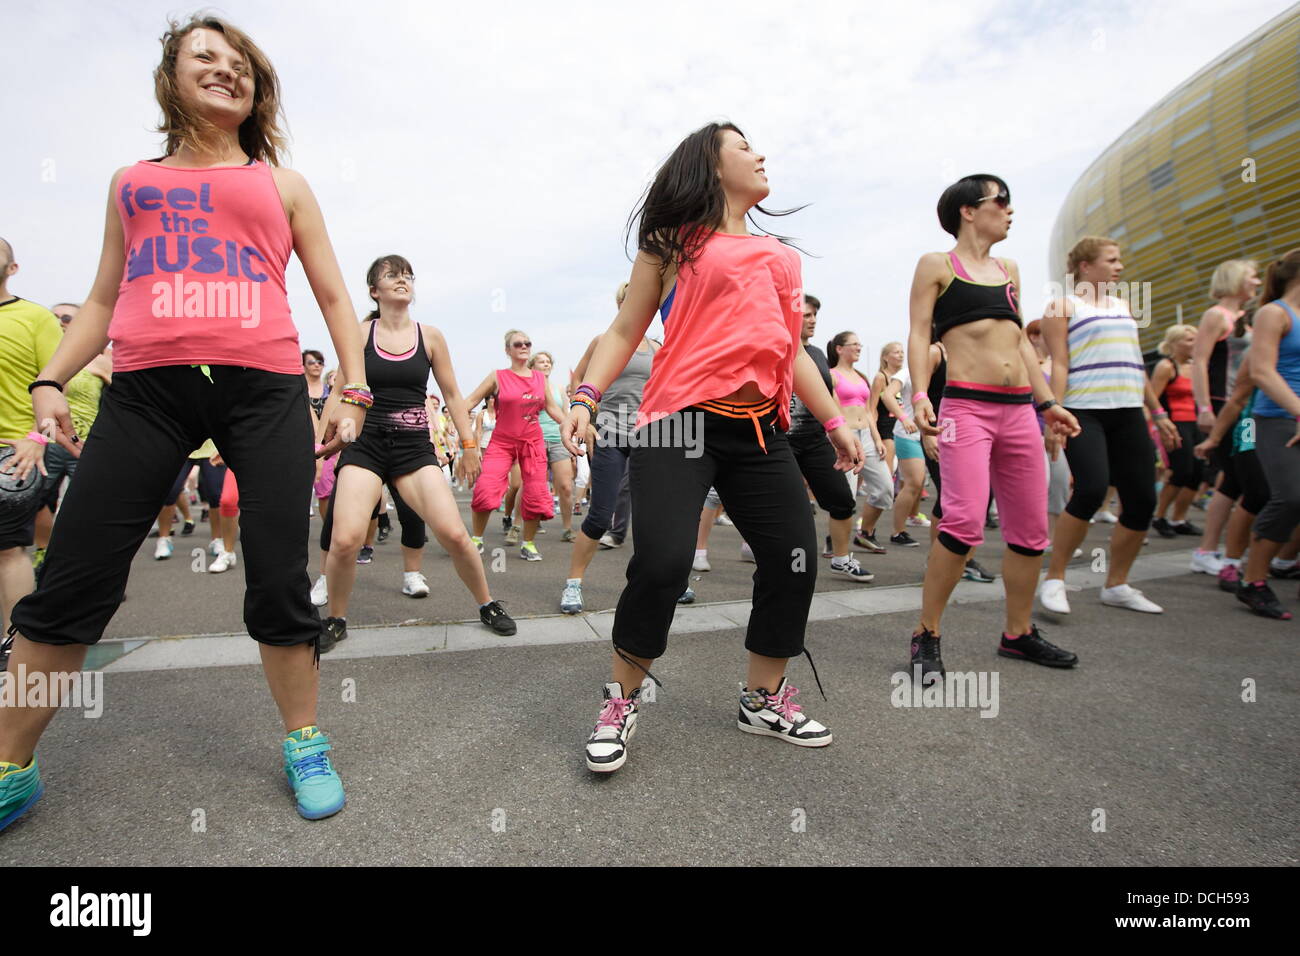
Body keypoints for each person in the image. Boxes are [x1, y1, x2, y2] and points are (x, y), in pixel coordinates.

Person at [0, 15, 371, 829]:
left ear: (255, 88)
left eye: (239, 63)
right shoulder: (131, 182)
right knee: (72, 579)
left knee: (277, 574)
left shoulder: (284, 184)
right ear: (171, 78)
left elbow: (337, 299)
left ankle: (305, 739)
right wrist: (53, 376)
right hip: (145, 394)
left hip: (265, 391)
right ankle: (9, 765)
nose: (224, 69)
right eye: (205, 57)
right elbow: (102, 298)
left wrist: (352, 389)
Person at [562, 122, 862, 774]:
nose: (761, 154)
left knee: (794, 561)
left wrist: (835, 420)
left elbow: (790, 351)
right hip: (678, 423)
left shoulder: (781, 257)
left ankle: (763, 697)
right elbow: (624, 329)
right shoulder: (672, 242)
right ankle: (622, 698)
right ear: (711, 162)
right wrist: (585, 397)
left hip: (759, 430)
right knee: (664, 562)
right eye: (746, 146)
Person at [907, 174, 1082, 683]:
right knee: (962, 522)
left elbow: (1021, 344)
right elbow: (919, 333)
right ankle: (928, 633)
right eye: (1000, 201)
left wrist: (1048, 403)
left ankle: (1018, 634)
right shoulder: (936, 265)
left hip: (1020, 412)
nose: (1010, 211)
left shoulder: (1009, 269)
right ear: (968, 210)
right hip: (966, 410)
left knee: (1030, 532)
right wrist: (920, 395)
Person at [317, 255, 515, 649]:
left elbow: (455, 395)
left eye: (408, 275)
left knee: (455, 535)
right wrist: (323, 445)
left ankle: (487, 603)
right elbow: (340, 390)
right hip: (367, 446)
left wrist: (469, 445)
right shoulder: (359, 333)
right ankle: (335, 618)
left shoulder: (431, 337)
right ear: (375, 290)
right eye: (392, 275)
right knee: (345, 540)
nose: (403, 280)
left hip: (413, 449)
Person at [1038, 236, 1180, 616]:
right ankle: (1054, 578)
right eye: (1112, 260)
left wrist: (1159, 413)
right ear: (1086, 266)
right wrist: (1055, 414)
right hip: (1086, 411)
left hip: (1129, 410)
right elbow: (1061, 364)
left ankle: (1116, 584)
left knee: (1143, 500)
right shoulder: (1063, 307)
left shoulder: (1122, 306)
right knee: (1090, 489)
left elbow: (1135, 364)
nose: (1120, 267)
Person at [560, 290, 661, 613]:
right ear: (619, 305)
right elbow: (577, 380)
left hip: (648, 435)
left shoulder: (658, 347)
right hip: (610, 433)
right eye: (627, 299)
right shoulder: (604, 340)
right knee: (601, 514)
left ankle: (669, 581)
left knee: (655, 514)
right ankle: (573, 585)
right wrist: (585, 415)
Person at [0, 239, 67, 658]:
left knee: (7, 548)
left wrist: (38, 437)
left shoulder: (34, 317)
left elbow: (54, 384)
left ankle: (13, 642)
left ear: (13, 267)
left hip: (13, 450)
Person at [1233, 250, 1300, 619]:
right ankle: (1253, 580)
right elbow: (1260, 371)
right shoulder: (1274, 313)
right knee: (1290, 498)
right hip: (1276, 417)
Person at [465, 331, 563, 560]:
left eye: (527, 343)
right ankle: (477, 539)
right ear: (507, 350)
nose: (524, 346)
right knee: (486, 489)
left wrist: (571, 422)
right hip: (501, 442)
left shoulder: (540, 379)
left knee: (536, 493)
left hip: (532, 443)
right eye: (517, 344)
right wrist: (463, 433)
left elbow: (552, 408)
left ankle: (528, 543)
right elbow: (469, 401)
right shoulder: (497, 376)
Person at [31, 304, 112, 574]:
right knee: (40, 500)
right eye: (54, 317)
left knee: (89, 509)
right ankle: (43, 554)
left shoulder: (101, 359)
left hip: (87, 445)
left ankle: (95, 569)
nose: (60, 322)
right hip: (47, 442)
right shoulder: (44, 357)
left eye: (66, 317)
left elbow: (124, 401)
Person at [825, 331, 891, 559]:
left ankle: (864, 532)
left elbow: (868, 411)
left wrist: (877, 438)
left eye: (859, 344)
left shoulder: (862, 377)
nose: (859, 348)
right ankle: (834, 541)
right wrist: (838, 437)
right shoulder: (831, 375)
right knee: (847, 496)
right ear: (839, 349)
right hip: (847, 435)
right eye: (854, 344)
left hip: (867, 436)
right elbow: (830, 409)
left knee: (885, 489)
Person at [1150, 324, 1204, 537]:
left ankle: (1179, 519)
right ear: (1174, 343)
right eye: (1189, 340)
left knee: (1197, 473)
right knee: (1181, 471)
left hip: (1196, 424)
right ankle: (1160, 516)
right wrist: (1157, 427)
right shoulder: (1166, 366)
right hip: (1175, 424)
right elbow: (1152, 398)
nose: (1195, 343)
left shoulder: (1196, 366)